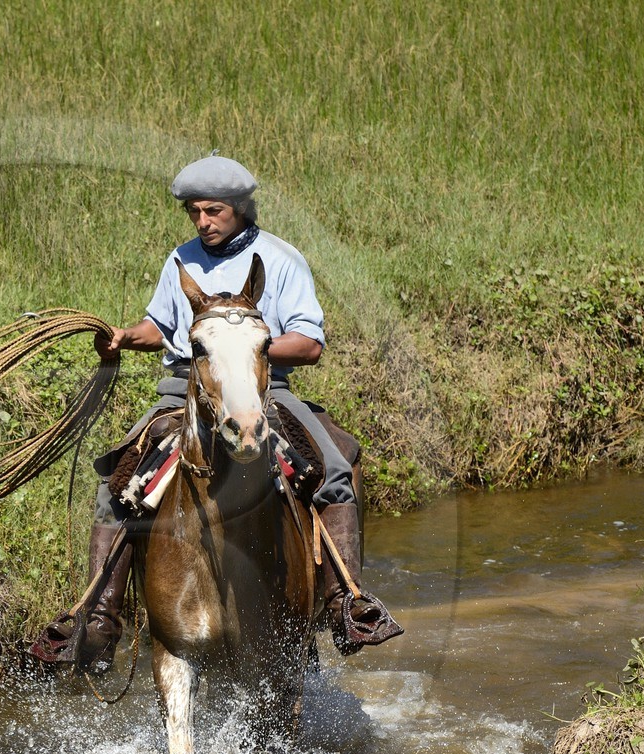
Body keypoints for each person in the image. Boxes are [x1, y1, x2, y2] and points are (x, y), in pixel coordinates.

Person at [27, 155, 398, 669]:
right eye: (195, 212)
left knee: (336, 462)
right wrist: (124, 337)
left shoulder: (281, 258)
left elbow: (309, 343)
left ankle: (345, 602)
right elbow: (159, 325)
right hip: (184, 391)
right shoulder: (180, 259)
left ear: (242, 209)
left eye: (214, 211)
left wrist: (246, 349)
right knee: (120, 477)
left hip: (261, 389)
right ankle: (98, 618)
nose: (203, 222)